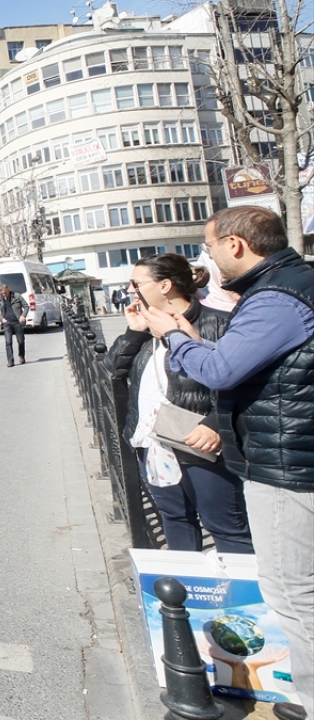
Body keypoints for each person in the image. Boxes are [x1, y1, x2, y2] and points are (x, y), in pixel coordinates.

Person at [143, 206, 314, 720]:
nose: (209, 257)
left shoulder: (277, 296)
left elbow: (219, 371)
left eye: (210, 245)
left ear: (235, 244)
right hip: (286, 453)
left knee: (293, 594)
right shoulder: (284, 286)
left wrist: (176, 338)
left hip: (286, 463)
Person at [105, 254, 253, 554]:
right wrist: (133, 333)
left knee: (225, 526)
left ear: (165, 286)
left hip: (200, 444)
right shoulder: (145, 327)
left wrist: (214, 424)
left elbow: (246, 382)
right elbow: (111, 370)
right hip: (152, 441)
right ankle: (188, 582)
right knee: (174, 518)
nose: (130, 290)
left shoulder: (219, 323)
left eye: (136, 283)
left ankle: (240, 585)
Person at [0, 284, 28, 367]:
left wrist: (23, 316)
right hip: (7, 323)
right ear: (0, 292)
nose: (4, 294)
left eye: (6, 292)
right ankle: (10, 360)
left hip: (17, 322)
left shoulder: (17, 296)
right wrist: (1, 318)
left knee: (21, 341)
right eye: (2, 293)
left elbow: (26, 306)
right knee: (8, 341)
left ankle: (21, 356)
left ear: (8, 290)